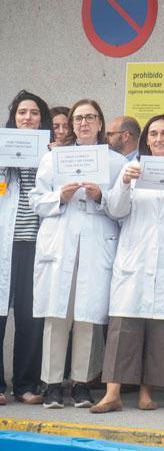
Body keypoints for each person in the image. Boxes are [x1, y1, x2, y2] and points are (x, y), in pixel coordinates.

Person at [90, 115, 164, 413]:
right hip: (134, 257)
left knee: (160, 327)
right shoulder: (133, 169)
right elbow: (115, 209)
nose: (159, 139)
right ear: (146, 139)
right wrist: (126, 184)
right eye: (153, 134)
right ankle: (112, 393)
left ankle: (146, 393)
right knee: (123, 325)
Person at [32, 98, 128, 410]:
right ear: (72, 125)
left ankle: (82, 384)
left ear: (101, 124)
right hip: (59, 242)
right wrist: (59, 196)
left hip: (95, 242)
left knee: (88, 317)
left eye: (90, 118)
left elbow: (123, 207)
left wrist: (102, 197)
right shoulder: (53, 160)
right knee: (56, 316)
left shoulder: (116, 162)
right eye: (78, 119)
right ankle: (51, 384)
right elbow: (37, 200)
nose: (83, 123)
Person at [1, 90, 52, 405]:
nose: (28, 118)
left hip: (37, 246)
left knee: (31, 318)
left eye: (34, 113)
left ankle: (25, 385)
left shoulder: (53, 155)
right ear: (13, 117)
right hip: (4, 247)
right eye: (22, 112)